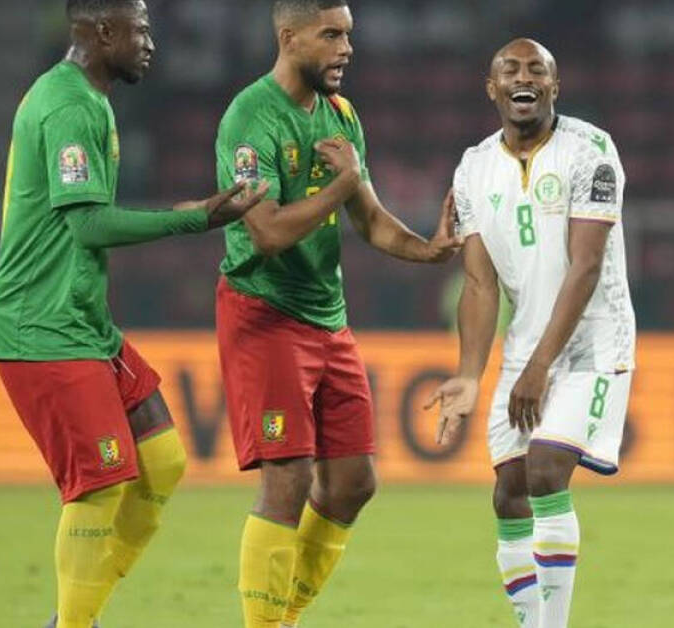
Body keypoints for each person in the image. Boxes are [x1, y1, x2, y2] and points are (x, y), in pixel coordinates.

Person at [0, 2, 268, 627]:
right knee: (102, 483)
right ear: (103, 31)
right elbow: (88, 225)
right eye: (139, 30)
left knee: (162, 462)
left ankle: (73, 615)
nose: (150, 42)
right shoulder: (67, 105)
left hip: (82, 321)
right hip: (41, 325)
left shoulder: (91, 101)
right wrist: (196, 217)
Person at [214, 2, 461, 626]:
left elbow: (370, 220)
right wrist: (341, 185)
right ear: (289, 36)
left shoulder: (341, 115)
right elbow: (268, 232)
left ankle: (285, 615)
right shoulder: (250, 117)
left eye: (348, 35)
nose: (346, 48)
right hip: (264, 312)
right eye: (331, 35)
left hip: (327, 317)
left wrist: (429, 249)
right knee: (287, 480)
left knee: (353, 482)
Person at [427, 39, 637, 628]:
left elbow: (586, 266)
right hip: (525, 348)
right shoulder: (474, 168)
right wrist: (470, 375)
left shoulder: (592, 151)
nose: (525, 78)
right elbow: (479, 284)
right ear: (491, 88)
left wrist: (541, 368)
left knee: (545, 471)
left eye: (537, 70)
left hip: (594, 344)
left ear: (554, 86)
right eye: (511, 70)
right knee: (510, 494)